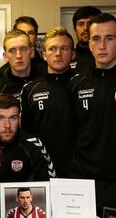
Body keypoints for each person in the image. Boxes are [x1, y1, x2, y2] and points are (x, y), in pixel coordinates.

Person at [69, 13, 116, 217]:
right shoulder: (76, 84)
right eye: (96, 39)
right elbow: (71, 133)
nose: (102, 45)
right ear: (88, 44)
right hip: (82, 181)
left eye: (109, 38)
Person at [20, 27, 79, 176]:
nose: (58, 54)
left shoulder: (83, 85)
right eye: (52, 49)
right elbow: (26, 134)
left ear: (72, 54)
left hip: (79, 170)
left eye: (64, 48)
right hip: (42, 169)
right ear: (44, 55)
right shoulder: (30, 89)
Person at [0, 29, 44, 100]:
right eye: (12, 51)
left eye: (23, 49)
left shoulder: (46, 79)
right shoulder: (0, 91)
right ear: (5, 56)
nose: (18, 56)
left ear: (31, 52)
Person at [70, 6, 101, 73]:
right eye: (81, 24)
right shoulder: (67, 56)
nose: (86, 28)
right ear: (75, 29)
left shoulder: (107, 55)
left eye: (90, 23)